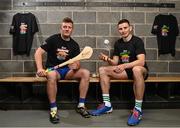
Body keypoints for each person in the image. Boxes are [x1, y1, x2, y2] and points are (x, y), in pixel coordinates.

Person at [90, 19, 148, 126]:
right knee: (103, 70)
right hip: (125, 71)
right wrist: (107, 59)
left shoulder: (137, 41)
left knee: (136, 69)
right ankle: (107, 105)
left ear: (130, 28)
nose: (123, 30)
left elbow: (141, 61)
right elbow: (115, 62)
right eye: (120, 29)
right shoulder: (118, 43)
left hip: (140, 70)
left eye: (125, 28)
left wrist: (123, 65)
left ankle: (138, 110)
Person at [34, 17, 91, 124]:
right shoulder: (53, 39)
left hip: (68, 72)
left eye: (69, 27)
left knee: (86, 73)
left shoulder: (74, 45)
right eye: (65, 27)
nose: (67, 29)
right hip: (54, 71)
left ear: (72, 29)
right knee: (51, 75)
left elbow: (77, 62)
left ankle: (81, 105)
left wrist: (76, 66)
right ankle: (53, 109)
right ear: (61, 28)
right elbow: (38, 52)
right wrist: (40, 68)